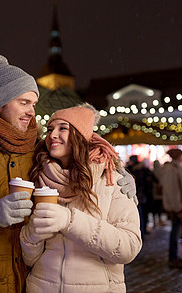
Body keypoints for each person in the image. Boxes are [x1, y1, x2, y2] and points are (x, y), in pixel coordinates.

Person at [0, 54, 137, 292]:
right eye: (24, 102)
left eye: (33, 103)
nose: (32, 111)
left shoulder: (36, 149)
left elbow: (82, 150)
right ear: (0, 103)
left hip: (27, 282)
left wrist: (119, 171)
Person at [20, 104, 142, 292]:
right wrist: (33, 234)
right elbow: (30, 259)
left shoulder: (111, 181)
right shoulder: (39, 178)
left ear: (80, 135)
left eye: (63, 128)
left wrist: (70, 221)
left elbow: (128, 248)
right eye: (51, 129)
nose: (52, 135)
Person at [159, 148, 182, 269]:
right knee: (175, 232)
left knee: (177, 232)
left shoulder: (177, 168)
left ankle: (175, 256)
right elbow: (172, 191)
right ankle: (173, 258)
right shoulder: (171, 169)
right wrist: (176, 207)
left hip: (180, 206)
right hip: (177, 207)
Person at [127, 155, 154, 240]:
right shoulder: (142, 169)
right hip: (143, 195)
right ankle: (142, 232)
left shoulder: (133, 170)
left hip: (138, 196)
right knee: (143, 214)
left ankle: (140, 234)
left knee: (139, 215)